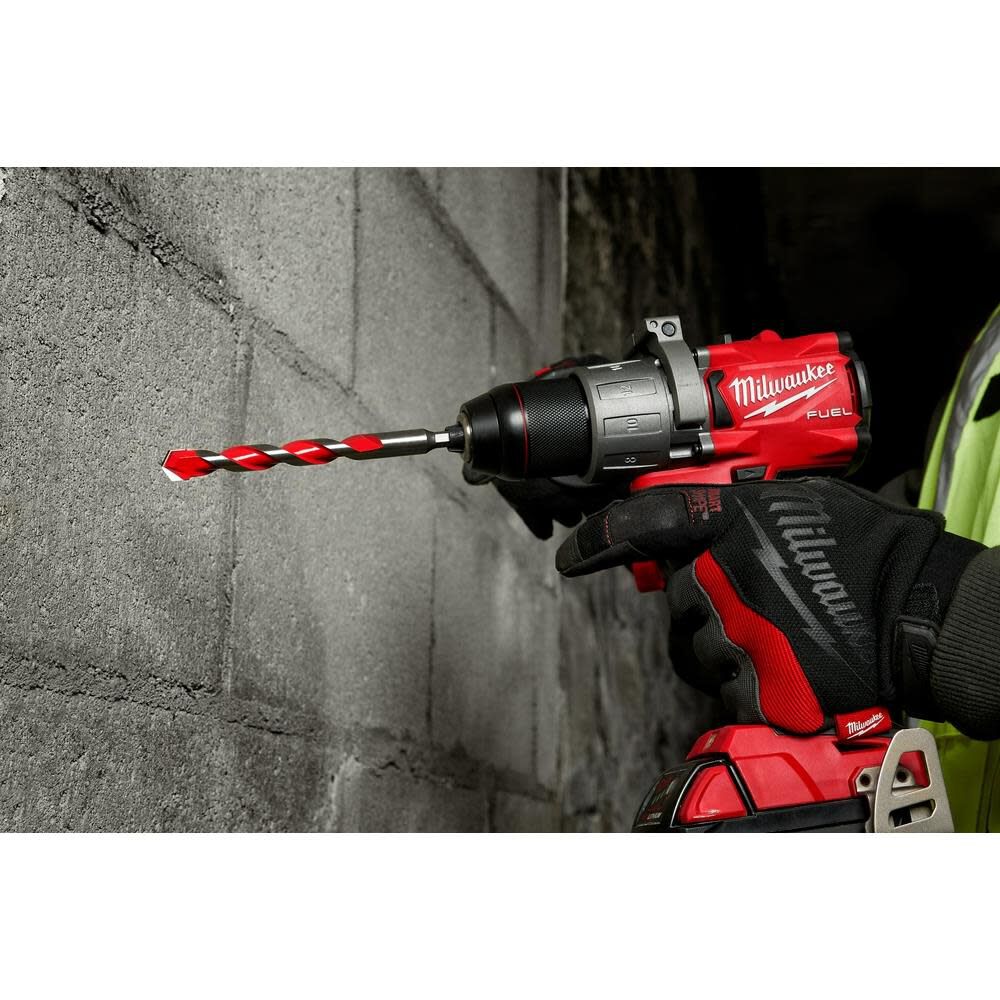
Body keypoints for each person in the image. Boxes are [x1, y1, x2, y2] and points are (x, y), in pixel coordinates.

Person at [474, 310, 1000, 831]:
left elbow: (884, 559)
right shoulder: (991, 343)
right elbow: (906, 512)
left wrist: (919, 593)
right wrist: (640, 451)